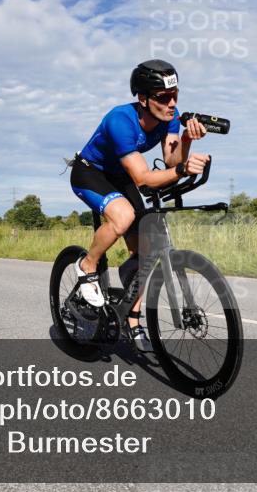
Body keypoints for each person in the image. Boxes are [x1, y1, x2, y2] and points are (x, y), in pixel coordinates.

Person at [69, 59, 210, 352]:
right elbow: (144, 178)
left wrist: (186, 139)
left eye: (175, 95)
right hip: (90, 173)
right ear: (143, 98)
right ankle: (87, 265)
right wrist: (184, 170)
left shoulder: (169, 117)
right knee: (123, 217)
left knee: (146, 251)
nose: (171, 103)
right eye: (163, 97)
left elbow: (172, 160)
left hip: (120, 176)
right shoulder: (120, 121)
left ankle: (131, 317)